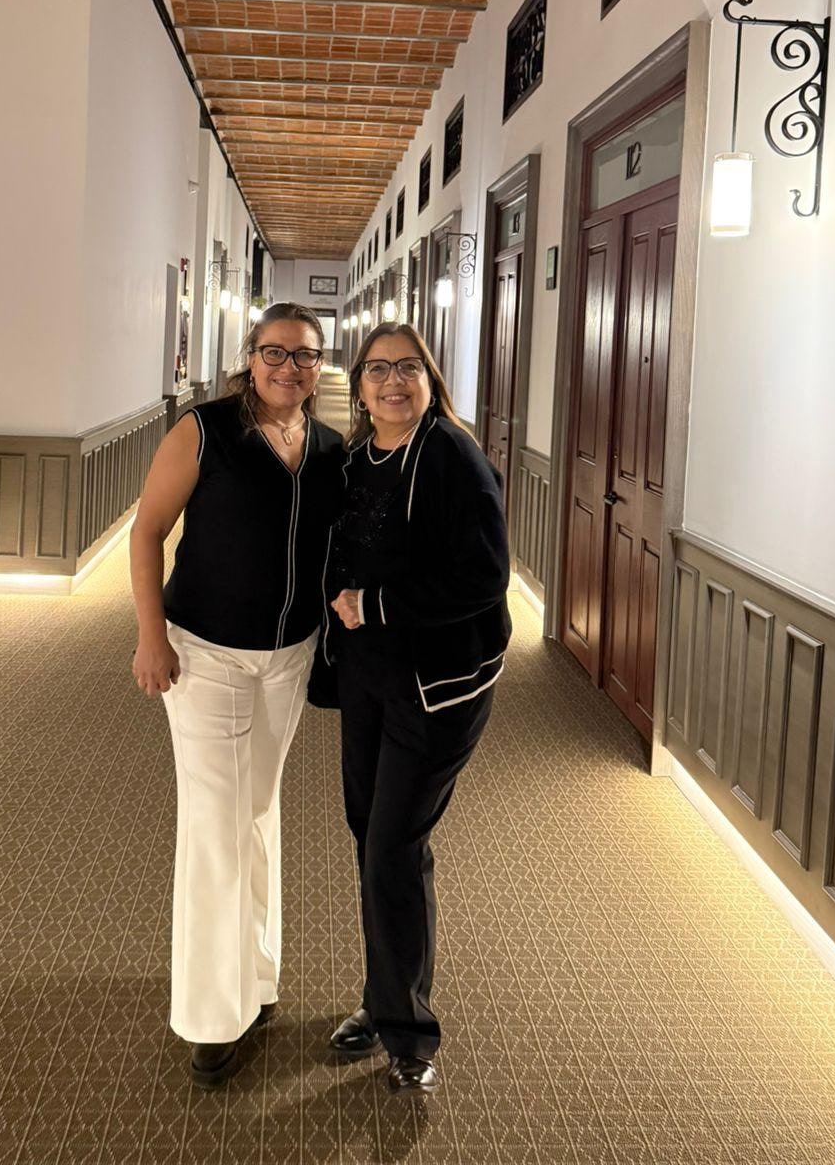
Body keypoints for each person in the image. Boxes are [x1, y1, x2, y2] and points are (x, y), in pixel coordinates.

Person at [130, 302, 343, 1088]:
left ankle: (256, 975)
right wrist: (151, 636)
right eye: (275, 352)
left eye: (305, 355)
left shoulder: (329, 448)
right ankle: (210, 1015)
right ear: (250, 358)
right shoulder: (205, 431)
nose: (290, 367)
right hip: (205, 654)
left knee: (258, 811)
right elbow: (147, 531)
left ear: (319, 365)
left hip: (288, 658)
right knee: (215, 826)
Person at [320, 322, 510, 1093]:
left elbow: (485, 576)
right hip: (368, 679)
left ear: (430, 379)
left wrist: (377, 605)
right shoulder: (357, 458)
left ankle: (408, 1033)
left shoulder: (452, 457)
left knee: (393, 844)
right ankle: (385, 997)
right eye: (377, 370)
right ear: (359, 386)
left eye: (407, 368)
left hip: (440, 687)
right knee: (374, 836)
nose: (392, 382)